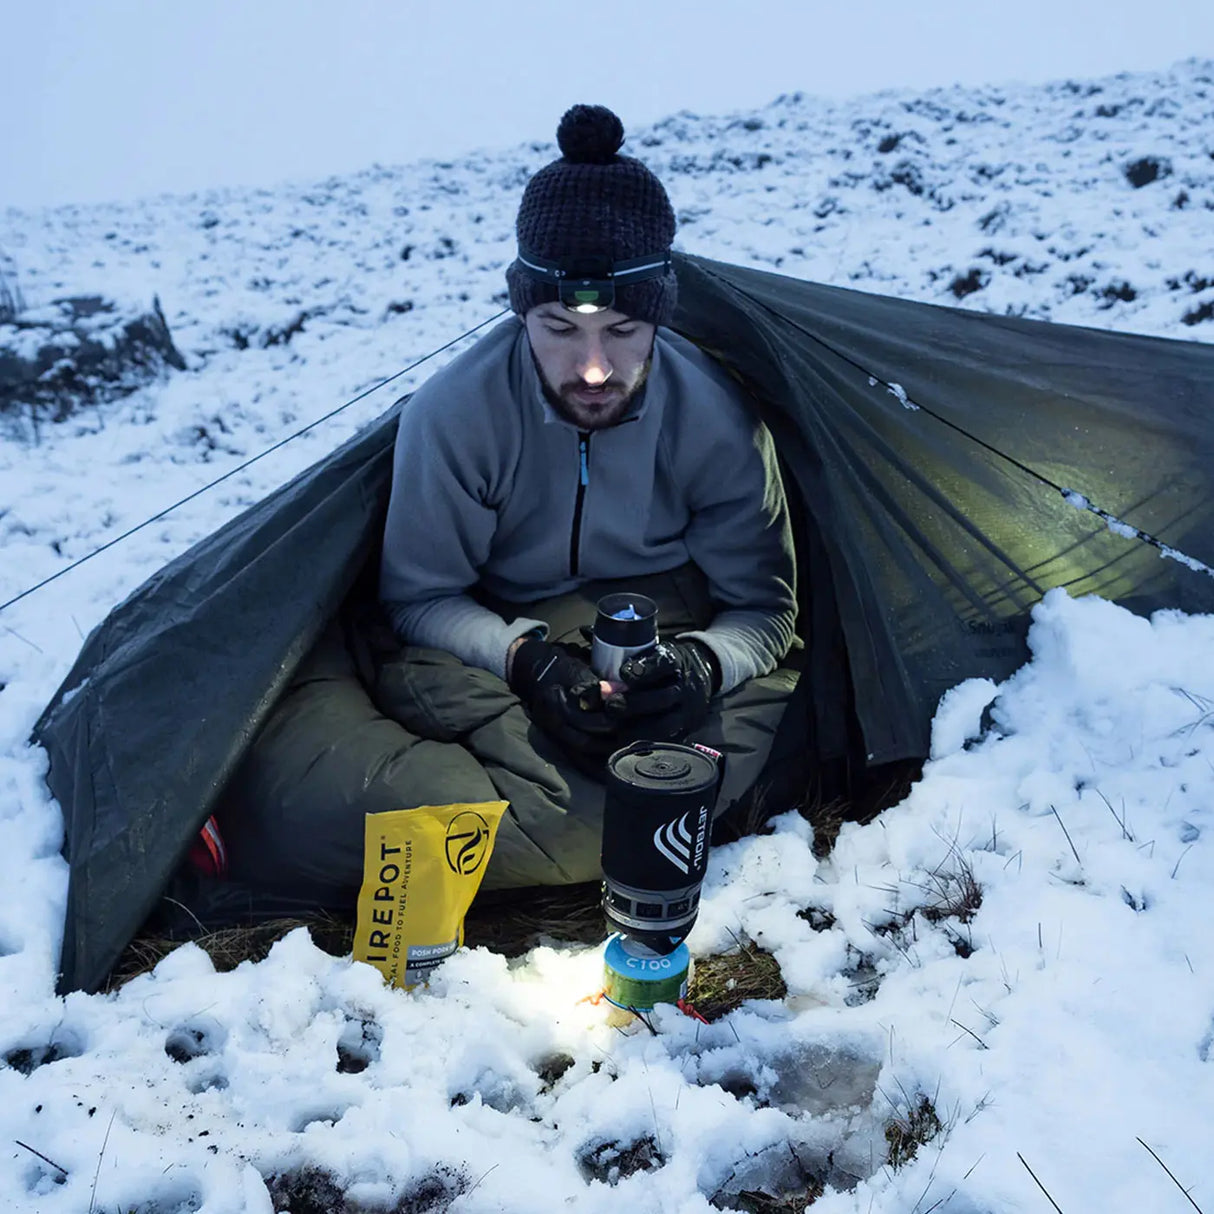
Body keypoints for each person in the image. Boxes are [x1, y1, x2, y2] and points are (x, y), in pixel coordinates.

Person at [372, 103, 800, 890]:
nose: (594, 368)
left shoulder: (717, 420)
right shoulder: (456, 415)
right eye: (559, 329)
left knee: (771, 724)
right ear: (521, 310)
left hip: (672, 618)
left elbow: (767, 615)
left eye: (624, 332)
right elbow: (419, 600)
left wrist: (703, 666)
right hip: (497, 630)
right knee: (403, 734)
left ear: (661, 314)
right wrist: (525, 659)